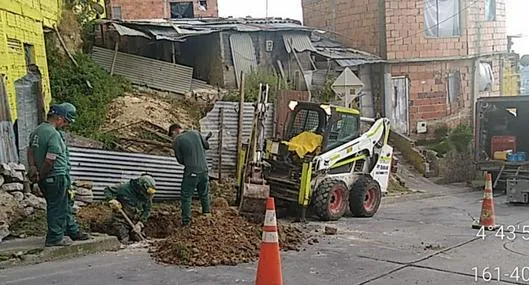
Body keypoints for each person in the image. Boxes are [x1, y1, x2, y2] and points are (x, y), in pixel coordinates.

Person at [27, 103, 89, 247]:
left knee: (64, 204)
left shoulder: (37, 131)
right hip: (56, 176)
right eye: (66, 122)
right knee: (58, 208)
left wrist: (32, 167)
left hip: (47, 177)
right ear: (59, 118)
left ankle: (71, 230)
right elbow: (50, 160)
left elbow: (30, 150)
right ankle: (55, 238)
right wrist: (41, 174)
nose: (66, 125)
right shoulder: (53, 134)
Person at [168, 123, 212, 226]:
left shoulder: (177, 141)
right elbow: (206, 146)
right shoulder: (196, 133)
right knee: (204, 193)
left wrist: (189, 160)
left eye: (172, 135)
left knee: (186, 196)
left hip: (191, 171)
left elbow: (180, 160)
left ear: (175, 131)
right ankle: (207, 214)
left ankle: (186, 222)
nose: (173, 137)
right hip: (204, 170)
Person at [104, 174, 156, 244]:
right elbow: (108, 190)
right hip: (121, 220)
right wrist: (111, 200)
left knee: (138, 239)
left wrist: (140, 223)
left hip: (135, 222)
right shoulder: (124, 188)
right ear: (140, 186)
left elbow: (147, 209)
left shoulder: (146, 195)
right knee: (124, 240)